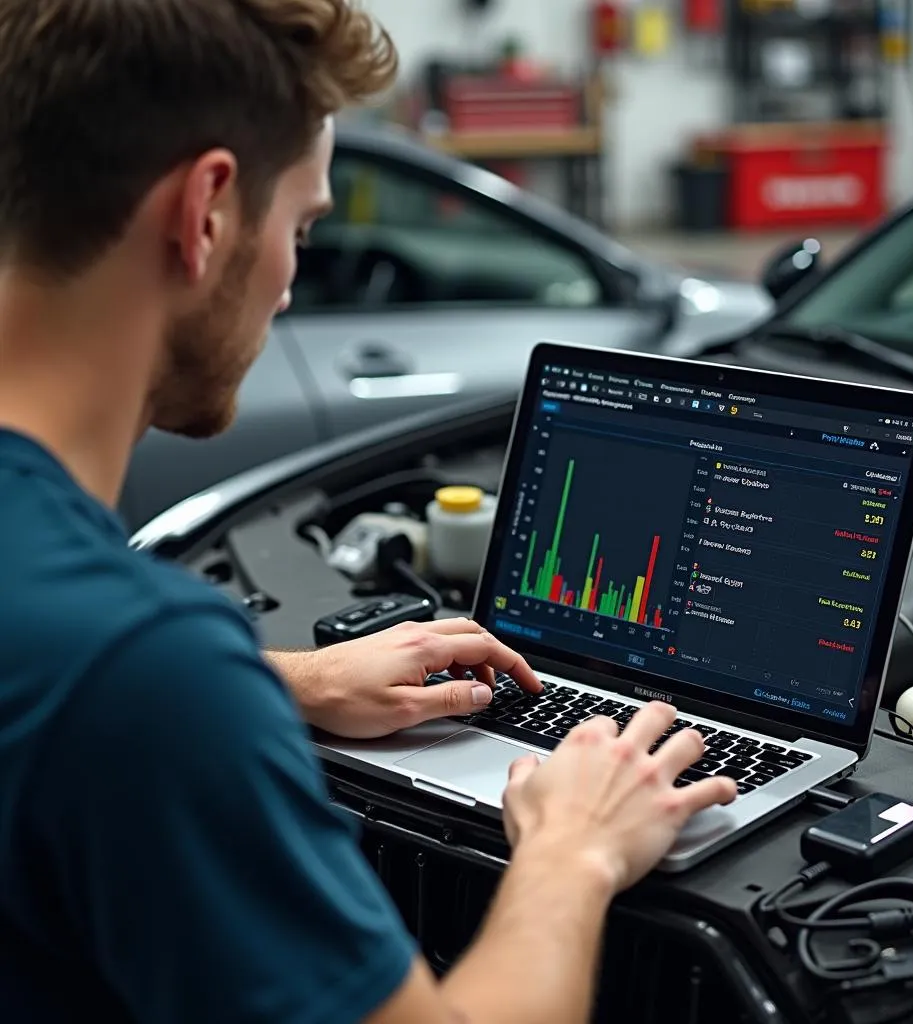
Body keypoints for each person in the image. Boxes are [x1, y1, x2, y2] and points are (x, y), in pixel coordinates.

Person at [0, 2, 737, 1021]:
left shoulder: (91, 647)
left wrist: (285, 679)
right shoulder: (143, 671)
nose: (293, 280)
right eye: (302, 226)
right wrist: (577, 851)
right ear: (206, 212)